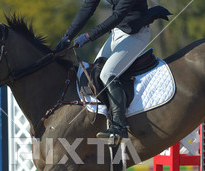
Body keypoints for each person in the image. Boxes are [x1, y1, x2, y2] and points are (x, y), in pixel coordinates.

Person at [55, 0, 170, 145]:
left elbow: (118, 15)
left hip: (136, 34)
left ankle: (119, 126)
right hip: (117, 33)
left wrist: (89, 35)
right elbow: (87, 7)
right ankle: (104, 120)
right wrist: (68, 36)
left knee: (107, 73)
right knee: (95, 73)